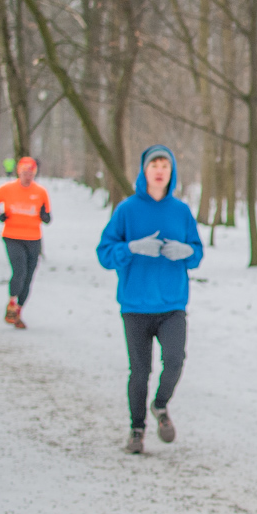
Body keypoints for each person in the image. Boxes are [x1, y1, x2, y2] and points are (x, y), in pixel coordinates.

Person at [97, 145, 203, 455]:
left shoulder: (181, 211)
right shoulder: (127, 210)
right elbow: (104, 253)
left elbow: (197, 253)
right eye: (154, 165)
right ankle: (137, 429)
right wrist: (130, 248)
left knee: (175, 360)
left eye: (165, 166)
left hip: (172, 304)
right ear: (144, 171)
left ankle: (160, 404)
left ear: (172, 173)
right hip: (135, 305)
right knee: (140, 371)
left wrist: (187, 251)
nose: (159, 170)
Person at [0, 157, 51, 329]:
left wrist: (44, 216)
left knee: (29, 276)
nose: (27, 176)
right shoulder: (7, 189)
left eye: (31, 173)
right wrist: (0, 215)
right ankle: (12, 302)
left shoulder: (40, 192)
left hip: (33, 239)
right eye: (24, 173)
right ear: (19, 172)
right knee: (20, 271)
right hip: (12, 236)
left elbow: (47, 217)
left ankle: (18, 311)